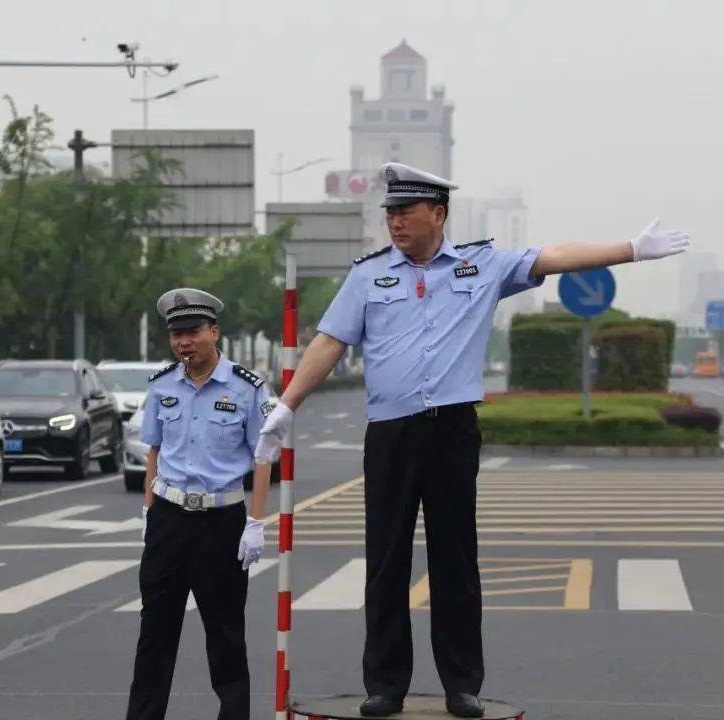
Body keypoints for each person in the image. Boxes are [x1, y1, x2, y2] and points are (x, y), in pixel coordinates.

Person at [255, 162, 689, 719]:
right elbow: (328, 343)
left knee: (455, 558)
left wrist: (630, 248)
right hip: (390, 434)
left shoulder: (481, 265)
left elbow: (555, 257)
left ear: (438, 214)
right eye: (389, 213)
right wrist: (286, 406)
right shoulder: (367, 276)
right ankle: (385, 683)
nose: (394, 223)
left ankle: (463, 683)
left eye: (405, 212)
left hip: (453, 430)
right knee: (385, 560)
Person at [126, 288, 274, 720]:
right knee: (155, 633)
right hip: (169, 520)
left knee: (226, 636)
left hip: (221, 522)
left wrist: (256, 521)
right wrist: (149, 511)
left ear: (214, 331)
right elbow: (152, 450)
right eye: (176, 335)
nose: (184, 342)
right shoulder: (162, 385)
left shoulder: (247, 388)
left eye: (192, 332)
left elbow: (262, 458)